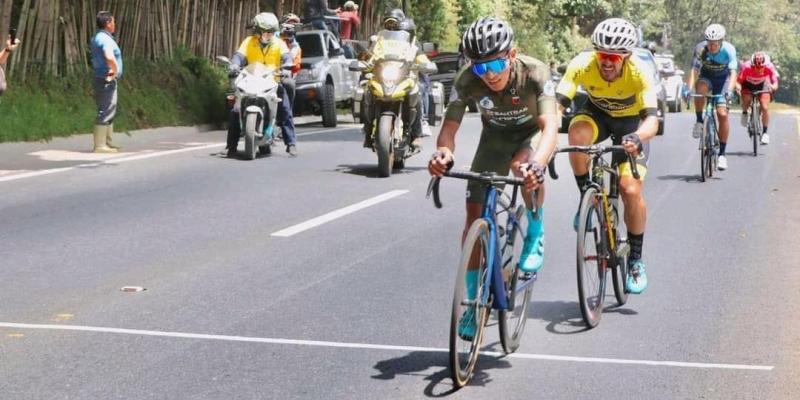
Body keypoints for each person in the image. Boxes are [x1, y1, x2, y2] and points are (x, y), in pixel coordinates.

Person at [429, 17, 559, 339]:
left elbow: (551, 128)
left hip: (530, 139)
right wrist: (444, 153)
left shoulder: (535, 73)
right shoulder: (467, 80)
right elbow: (449, 128)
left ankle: (536, 229)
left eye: (498, 63)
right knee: (473, 218)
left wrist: (539, 164)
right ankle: (473, 302)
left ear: (512, 55)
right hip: (495, 139)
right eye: (480, 67)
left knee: (523, 168)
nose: (490, 74)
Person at [556, 18, 659, 294]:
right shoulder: (581, 65)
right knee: (576, 136)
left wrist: (639, 137)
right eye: (602, 55)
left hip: (632, 126)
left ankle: (636, 259)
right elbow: (557, 106)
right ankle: (585, 196)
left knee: (630, 189)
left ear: (625, 57)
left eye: (613, 57)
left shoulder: (640, 72)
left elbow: (652, 121)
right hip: (597, 115)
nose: (606, 62)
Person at [226, 12, 298, 156]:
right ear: (257, 32)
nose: (267, 35)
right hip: (250, 81)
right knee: (235, 110)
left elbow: (286, 57)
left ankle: (291, 143)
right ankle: (230, 146)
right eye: (264, 32)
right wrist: (234, 65)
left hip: (272, 82)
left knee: (285, 110)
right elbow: (238, 56)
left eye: (270, 32)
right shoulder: (248, 41)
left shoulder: (279, 43)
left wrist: (286, 67)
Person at [361, 9, 429, 150]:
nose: (391, 25)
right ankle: (367, 130)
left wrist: (425, 64)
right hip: (382, 78)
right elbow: (368, 57)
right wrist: (363, 62)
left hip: (403, 78)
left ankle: (416, 134)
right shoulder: (377, 41)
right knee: (366, 90)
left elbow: (421, 58)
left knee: (416, 92)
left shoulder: (411, 43)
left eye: (394, 22)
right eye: (388, 22)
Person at [688, 23, 737, 170]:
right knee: (700, 88)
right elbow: (694, 71)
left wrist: (730, 90)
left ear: (720, 42)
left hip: (723, 81)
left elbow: (733, 73)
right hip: (707, 77)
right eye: (709, 43)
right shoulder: (701, 49)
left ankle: (722, 154)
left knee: (722, 114)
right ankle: (699, 121)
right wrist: (687, 88)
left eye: (715, 44)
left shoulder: (729, 50)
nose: (712, 47)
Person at [90, 11, 123, 153]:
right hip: (106, 78)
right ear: (108, 23)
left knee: (109, 108)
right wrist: (114, 69)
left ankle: (107, 142)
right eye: (113, 22)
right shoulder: (104, 39)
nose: (115, 24)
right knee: (106, 109)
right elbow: (109, 56)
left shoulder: (99, 37)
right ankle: (100, 145)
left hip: (102, 77)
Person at [736, 51, 778, 145]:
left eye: (761, 67)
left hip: (763, 84)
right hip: (747, 84)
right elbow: (738, 82)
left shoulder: (769, 67)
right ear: (752, 64)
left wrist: (773, 87)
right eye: (756, 67)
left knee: (765, 107)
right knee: (746, 100)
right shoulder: (746, 67)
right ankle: (744, 112)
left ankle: (765, 133)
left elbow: (775, 82)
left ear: (765, 65)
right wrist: (738, 87)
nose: (758, 70)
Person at [280, 23, 302, 107]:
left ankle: (288, 112)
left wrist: (289, 66)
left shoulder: (296, 48)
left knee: (290, 85)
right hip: (269, 74)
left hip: (285, 76)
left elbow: (296, 66)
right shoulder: (275, 43)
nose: (286, 36)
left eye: (289, 34)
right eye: (284, 33)